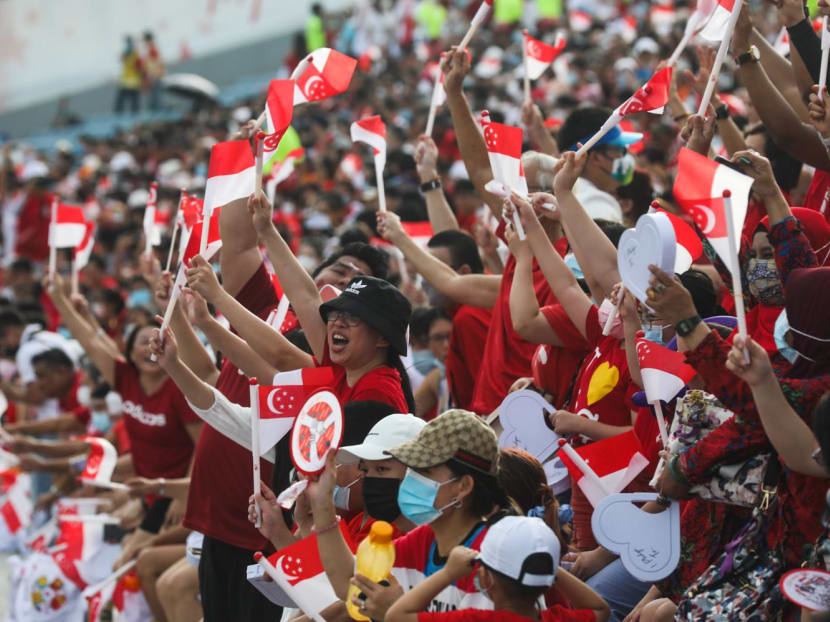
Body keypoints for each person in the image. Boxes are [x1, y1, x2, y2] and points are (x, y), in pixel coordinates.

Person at [305, 409, 510, 619]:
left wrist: (396, 614)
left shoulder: (494, 561)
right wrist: (323, 504)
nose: (410, 480)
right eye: (412, 469)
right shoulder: (424, 539)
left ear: (463, 486)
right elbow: (351, 583)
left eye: (424, 471)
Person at [386, 516, 610, 622]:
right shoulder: (557, 619)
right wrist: (549, 567)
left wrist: (448, 574)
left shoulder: (473, 619)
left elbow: (396, 615)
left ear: (485, 579)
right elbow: (600, 609)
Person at [115, 35, 143, 114]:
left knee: (122, 102)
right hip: (131, 81)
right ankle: (133, 116)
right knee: (133, 103)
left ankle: (120, 116)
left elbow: (139, 67)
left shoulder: (132, 55)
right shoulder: (132, 54)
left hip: (129, 82)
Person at [142, 32, 165, 111]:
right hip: (155, 76)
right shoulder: (152, 49)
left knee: (155, 99)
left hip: (155, 77)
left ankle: (158, 116)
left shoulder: (152, 49)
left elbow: (155, 64)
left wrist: (151, 76)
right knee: (155, 99)